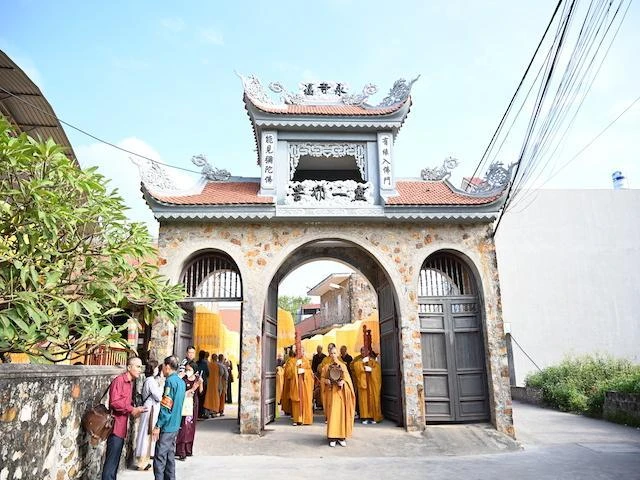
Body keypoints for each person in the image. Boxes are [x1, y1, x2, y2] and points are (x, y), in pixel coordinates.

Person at [101, 356, 146, 480]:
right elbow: (114, 403)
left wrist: (135, 410)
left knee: (115, 462)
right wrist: (132, 409)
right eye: (137, 367)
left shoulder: (130, 382)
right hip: (115, 426)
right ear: (129, 367)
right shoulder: (120, 380)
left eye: (141, 367)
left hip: (121, 427)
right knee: (111, 462)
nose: (140, 370)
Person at [152, 356, 186, 480]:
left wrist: (158, 425)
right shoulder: (181, 382)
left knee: (160, 457)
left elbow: (166, 406)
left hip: (167, 425)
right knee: (170, 456)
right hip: (175, 424)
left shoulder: (170, 382)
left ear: (167, 366)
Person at [320, 346, 355, 447]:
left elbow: (348, 380)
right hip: (331, 394)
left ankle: (341, 437)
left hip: (340, 395)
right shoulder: (326, 367)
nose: (333, 355)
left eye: (335, 353)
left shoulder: (343, 366)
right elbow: (322, 379)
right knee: (332, 415)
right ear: (329, 354)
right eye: (332, 353)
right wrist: (326, 381)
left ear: (338, 354)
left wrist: (343, 382)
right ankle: (332, 437)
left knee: (341, 414)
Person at [134, 359, 163, 471]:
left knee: (146, 433)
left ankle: (144, 460)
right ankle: (142, 461)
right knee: (146, 434)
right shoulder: (151, 381)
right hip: (150, 409)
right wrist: (161, 386)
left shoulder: (149, 380)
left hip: (150, 408)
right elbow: (158, 396)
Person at [176, 361, 204, 460]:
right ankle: (181, 450)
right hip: (184, 404)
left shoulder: (197, 379)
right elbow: (181, 393)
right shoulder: (183, 379)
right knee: (184, 427)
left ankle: (188, 449)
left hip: (193, 405)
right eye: (186, 369)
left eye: (189, 369)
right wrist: (192, 389)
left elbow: (201, 392)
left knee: (191, 427)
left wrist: (200, 383)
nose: (187, 371)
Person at [351, 347, 383, 424]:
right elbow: (354, 367)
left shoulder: (372, 360)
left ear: (368, 351)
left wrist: (372, 370)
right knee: (363, 401)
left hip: (372, 384)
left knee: (373, 399)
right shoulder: (358, 360)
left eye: (365, 351)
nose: (363, 352)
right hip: (363, 384)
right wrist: (362, 362)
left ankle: (374, 417)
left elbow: (377, 370)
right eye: (362, 351)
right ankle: (365, 417)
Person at [285, 347, 314, 426]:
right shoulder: (291, 361)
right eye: (298, 351)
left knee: (305, 401)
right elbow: (288, 374)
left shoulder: (306, 361)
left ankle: (305, 419)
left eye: (302, 351)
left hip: (305, 385)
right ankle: (296, 419)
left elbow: (311, 373)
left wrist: (304, 371)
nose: (300, 353)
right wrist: (295, 368)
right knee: (296, 402)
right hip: (296, 385)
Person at [202, 352, 220, 417]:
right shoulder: (217, 366)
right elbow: (221, 374)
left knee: (209, 396)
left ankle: (209, 410)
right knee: (215, 396)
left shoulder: (209, 364)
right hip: (216, 383)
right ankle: (214, 410)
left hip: (209, 383)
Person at [280, 349, 296, 416]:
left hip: (289, 381)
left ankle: (288, 410)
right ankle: (290, 410)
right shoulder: (292, 361)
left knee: (288, 395)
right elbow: (288, 372)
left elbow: (287, 372)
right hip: (292, 381)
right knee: (290, 395)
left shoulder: (289, 361)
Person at [195, 351, 210, 418]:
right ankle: (201, 413)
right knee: (202, 398)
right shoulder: (205, 364)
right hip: (203, 383)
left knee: (196, 397)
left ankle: (197, 412)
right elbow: (208, 373)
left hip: (196, 382)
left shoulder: (196, 363)